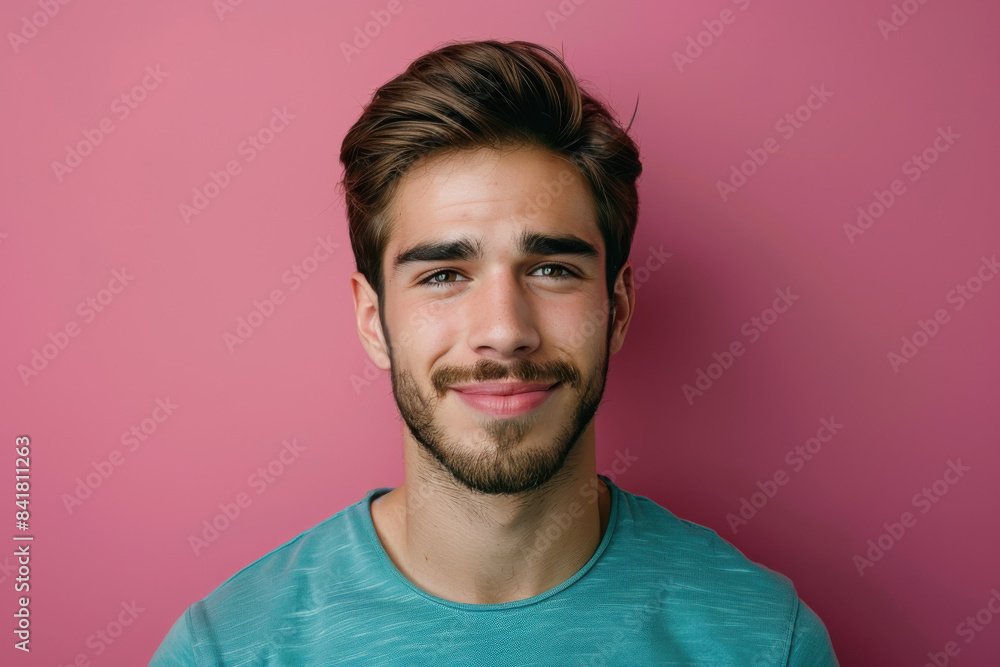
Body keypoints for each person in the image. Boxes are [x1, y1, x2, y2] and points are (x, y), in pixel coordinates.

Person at [150, 39, 839, 665]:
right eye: (443, 275)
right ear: (373, 320)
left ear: (619, 309)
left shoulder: (764, 643)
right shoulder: (225, 650)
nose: (505, 330)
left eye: (552, 269)